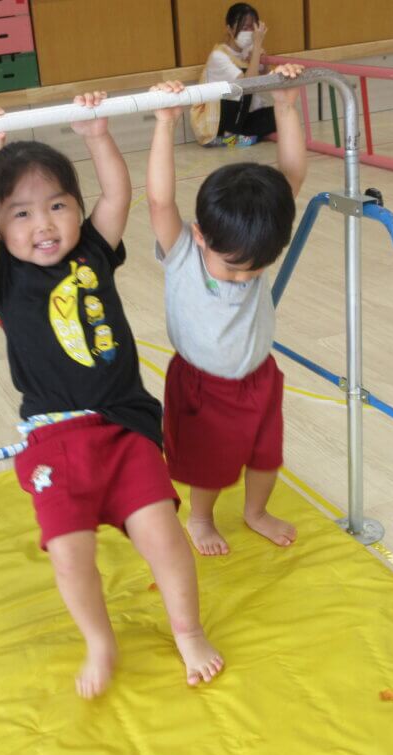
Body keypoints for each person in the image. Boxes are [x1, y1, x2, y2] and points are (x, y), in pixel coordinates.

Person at [0, 92, 223, 699]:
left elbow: (118, 196)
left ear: (77, 209)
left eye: (57, 205)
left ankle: (188, 630)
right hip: (55, 438)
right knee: (69, 552)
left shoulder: (94, 249)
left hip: (125, 426)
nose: (44, 224)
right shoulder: (4, 275)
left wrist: (98, 136)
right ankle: (100, 641)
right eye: (22, 214)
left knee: (163, 536)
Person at [147, 64, 307, 557]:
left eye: (256, 270)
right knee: (208, 464)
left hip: (259, 377)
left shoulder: (254, 241)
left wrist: (285, 106)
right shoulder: (183, 253)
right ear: (201, 235)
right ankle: (200, 517)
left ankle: (256, 511)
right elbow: (159, 201)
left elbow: (292, 176)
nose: (244, 278)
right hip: (203, 385)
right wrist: (166, 123)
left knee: (266, 455)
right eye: (234, 268)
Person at [190, 3, 275, 148]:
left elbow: (265, 76)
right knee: (242, 89)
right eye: (244, 28)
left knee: (277, 115)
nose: (249, 32)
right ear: (229, 29)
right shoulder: (218, 56)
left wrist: (260, 55)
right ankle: (227, 138)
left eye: (252, 28)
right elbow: (249, 84)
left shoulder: (248, 51)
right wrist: (257, 46)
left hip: (240, 117)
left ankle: (240, 137)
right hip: (215, 123)